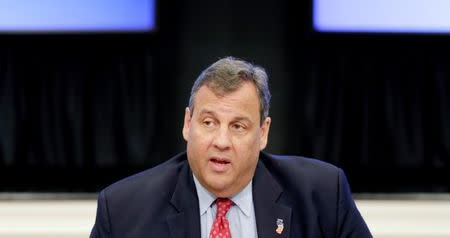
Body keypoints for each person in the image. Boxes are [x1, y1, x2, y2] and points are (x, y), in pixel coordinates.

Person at [90, 56, 372, 237]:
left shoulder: (322, 196)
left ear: (263, 133)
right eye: (209, 122)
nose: (221, 142)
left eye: (238, 126)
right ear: (188, 124)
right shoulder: (123, 212)